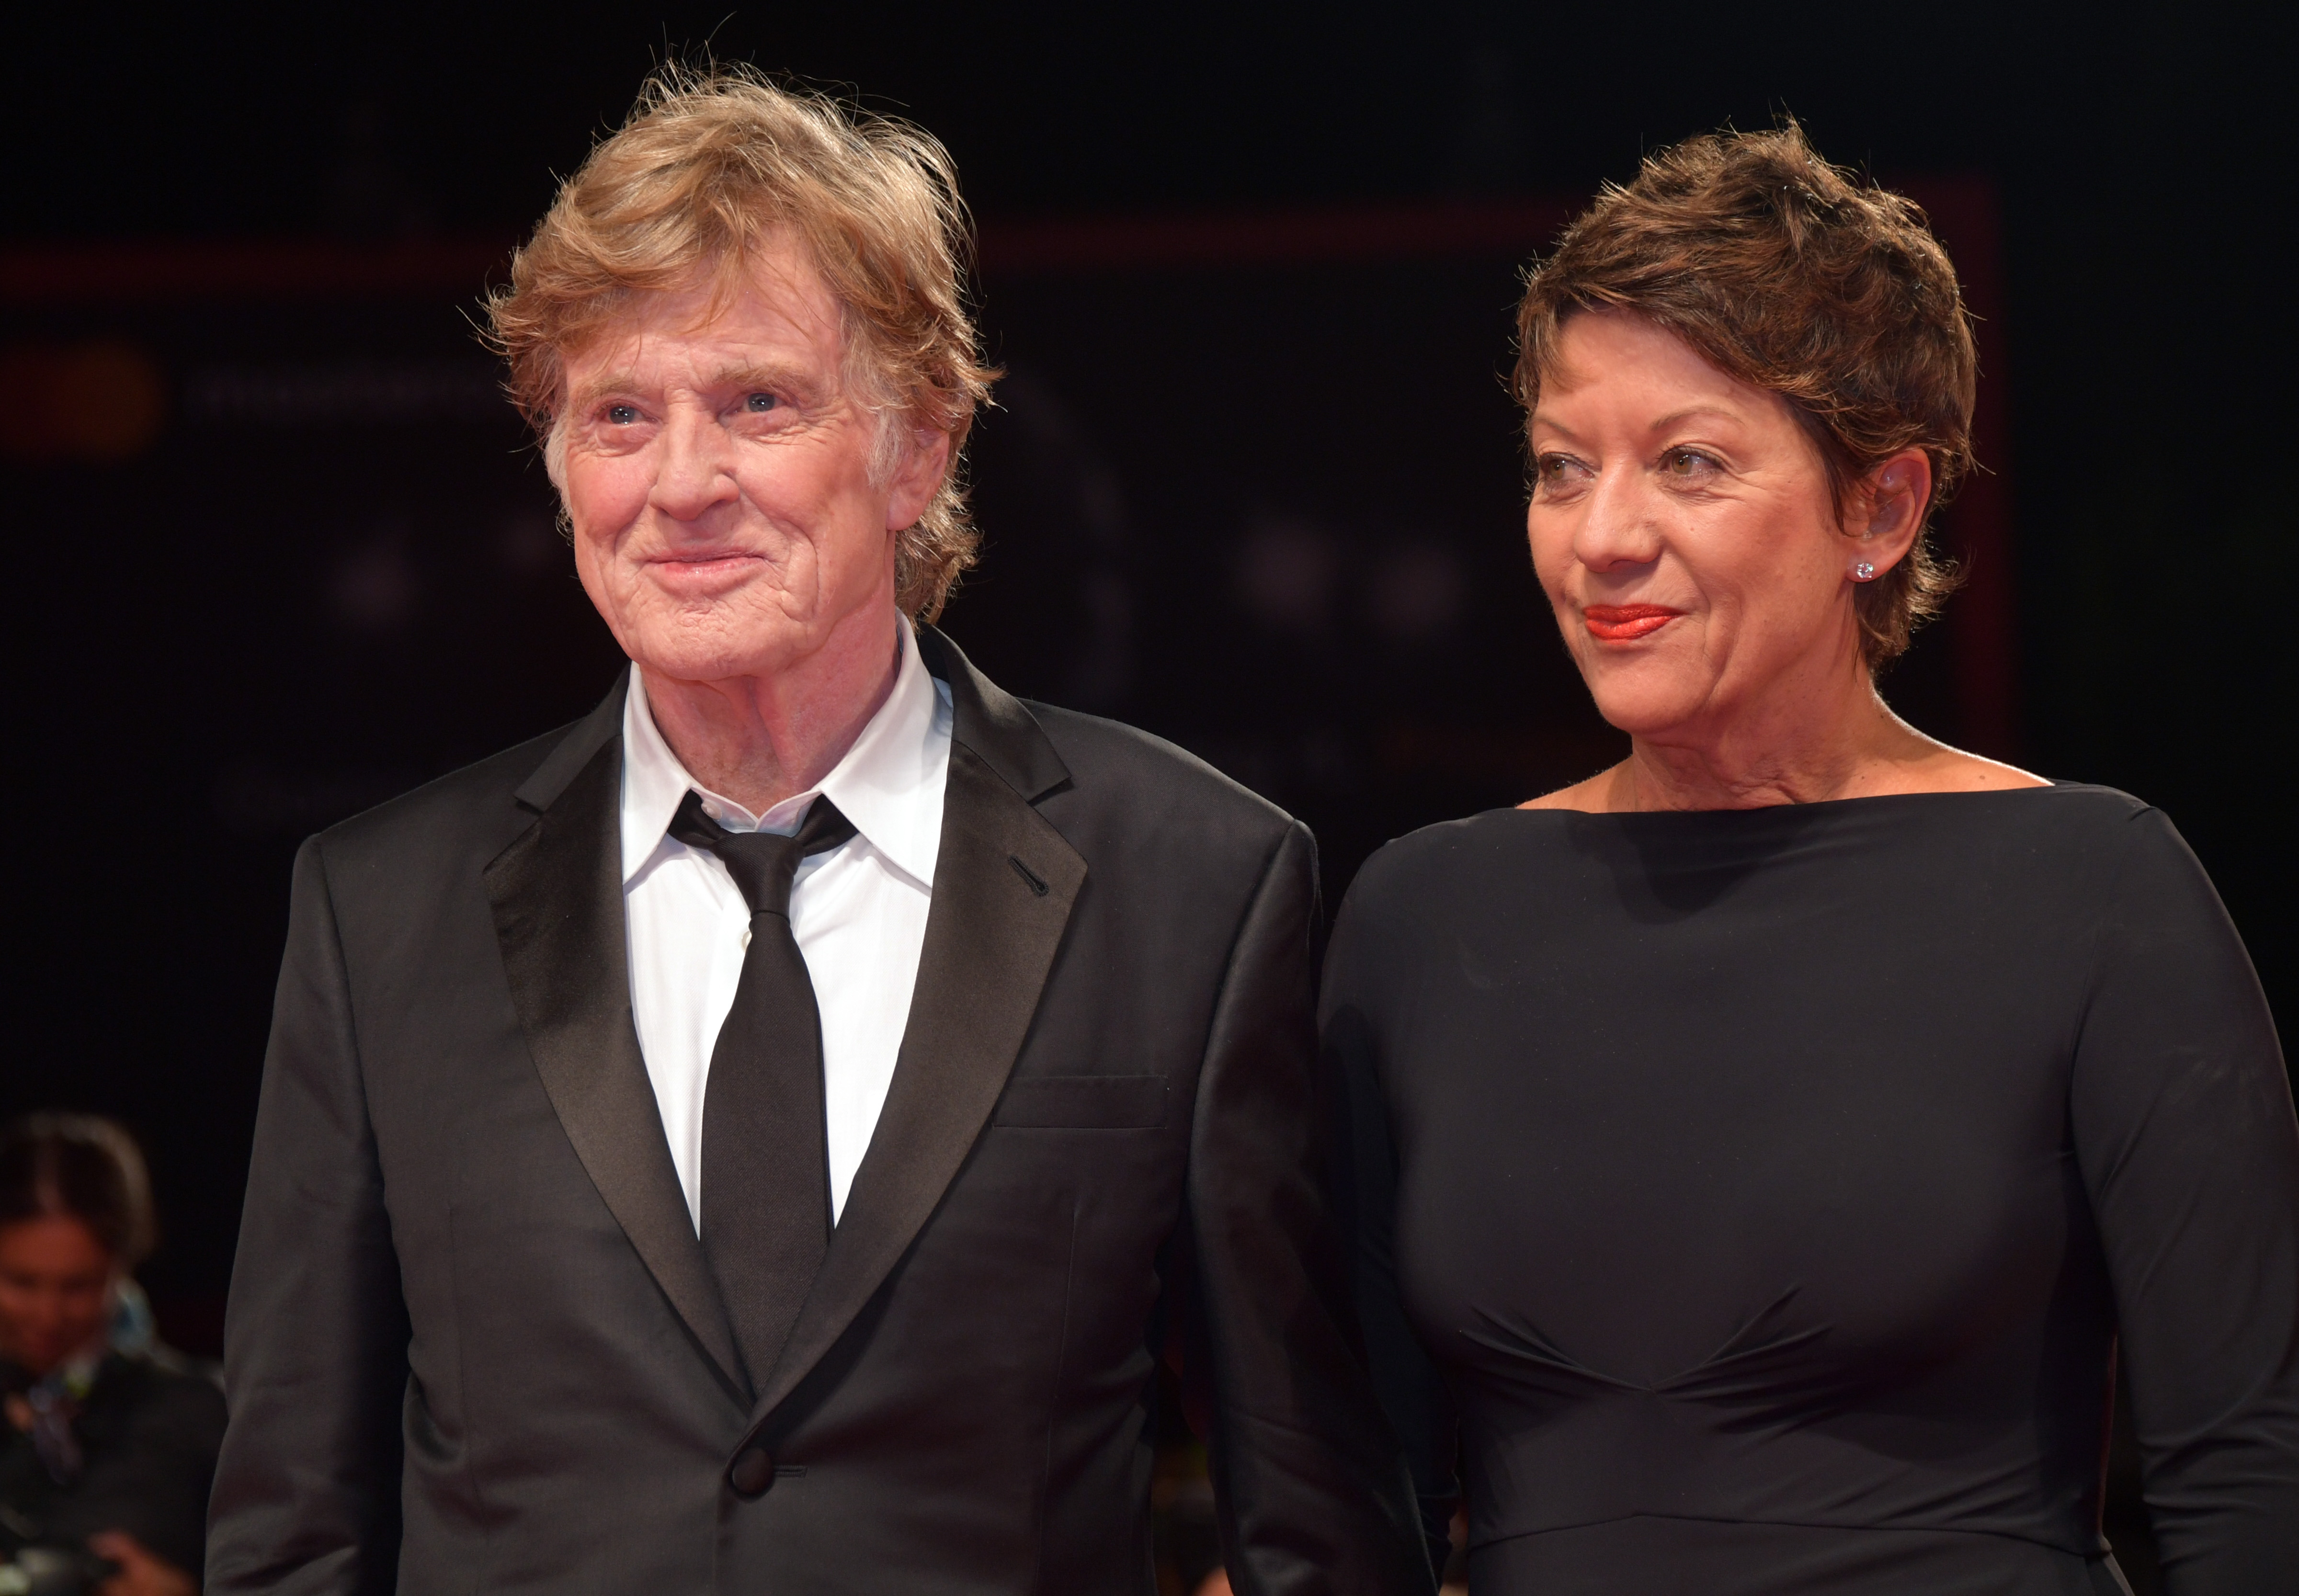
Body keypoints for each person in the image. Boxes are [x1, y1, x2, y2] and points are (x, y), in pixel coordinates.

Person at [205, 67, 1426, 1596]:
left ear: (920, 445)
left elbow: (1316, 1522)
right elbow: (291, 1536)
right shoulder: (375, 912)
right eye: (619, 416)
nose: (680, 485)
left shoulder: (1195, 880)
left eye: (756, 403)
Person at [1323, 123, 2299, 1594]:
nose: (1601, 536)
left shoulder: (2092, 889)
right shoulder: (1420, 919)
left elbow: (2240, 1477)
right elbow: (1365, 1502)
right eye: (1561, 466)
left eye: (1688, 462)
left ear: (1880, 509)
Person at [1, 1114, 225, 1596]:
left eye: (78, 1286)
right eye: (21, 1282)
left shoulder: (194, 1413)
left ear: (124, 1264)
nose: (48, 1315)